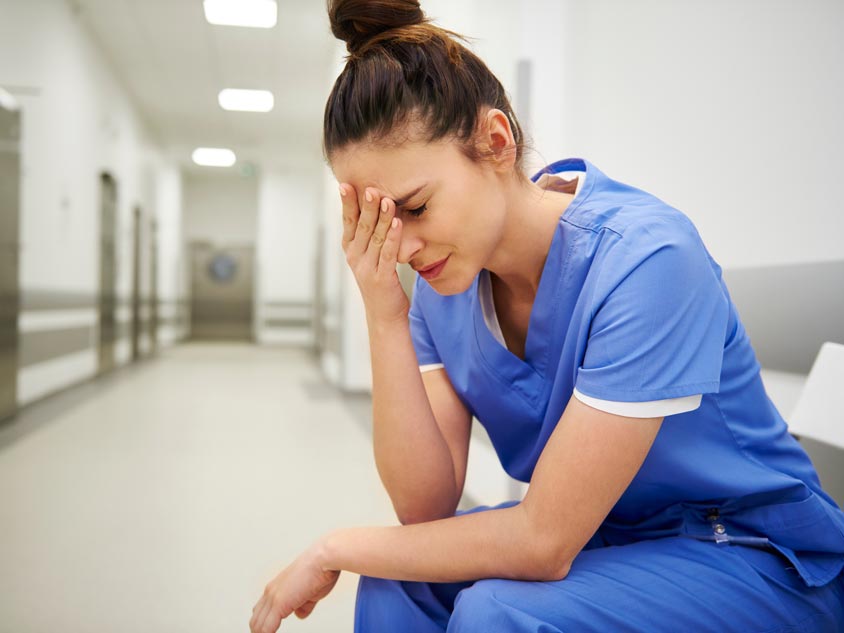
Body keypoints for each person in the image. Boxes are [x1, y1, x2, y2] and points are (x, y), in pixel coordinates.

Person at [250, 1, 844, 631]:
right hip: (612, 545)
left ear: (497, 143)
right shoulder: (440, 290)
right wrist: (383, 315)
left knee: (494, 612)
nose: (403, 247)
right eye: (382, 224)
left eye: (416, 208)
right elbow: (425, 509)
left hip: (752, 557)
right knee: (399, 583)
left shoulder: (646, 260)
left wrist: (333, 546)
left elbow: (543, 542)